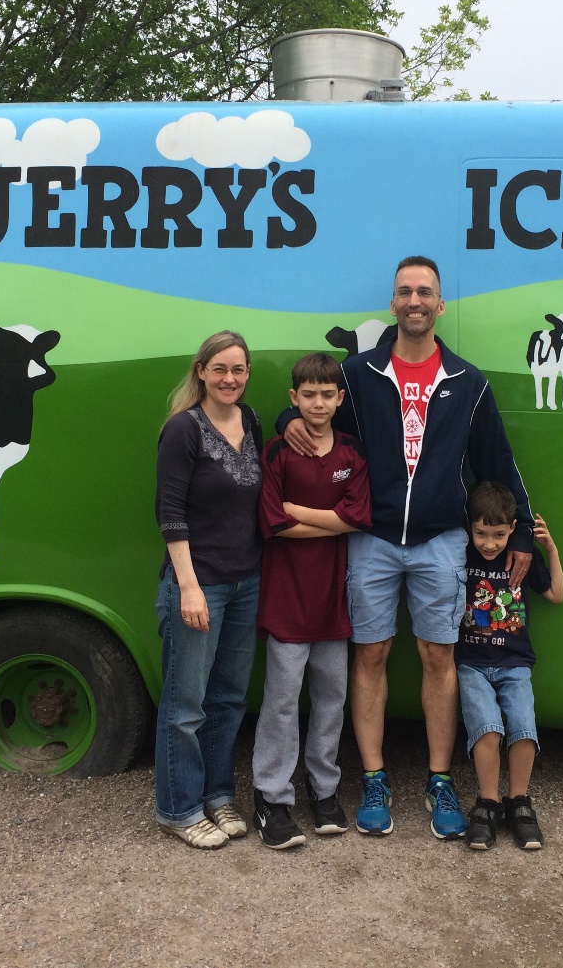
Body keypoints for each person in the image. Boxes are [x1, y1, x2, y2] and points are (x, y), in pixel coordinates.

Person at [281, 256, 535, 840]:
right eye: (404, 292)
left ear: (439, 306)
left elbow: (498, 461)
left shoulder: (467, 382)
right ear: (391, 305)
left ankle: (440, 779)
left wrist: (520, 532)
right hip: (370, 537)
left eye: (425, 292)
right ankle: (374, 777)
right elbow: (312, 410)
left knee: (438, 657)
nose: (414, 300)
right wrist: (285, 421)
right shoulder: (358, 372)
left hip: (442, 541)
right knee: (369, 655)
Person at [250, 353, 371, 849]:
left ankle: (323, 790)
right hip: (286, 597)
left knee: (331, 699)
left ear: (340, 400)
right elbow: (272, 524)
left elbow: (359, 519)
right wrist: (325, 517)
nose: (318, 402)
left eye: (328, 394)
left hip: (332, 600)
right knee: (280, 701)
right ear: (293, 398)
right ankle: (271, 799)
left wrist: (300, 510)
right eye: (309, 395)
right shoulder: (278, 451)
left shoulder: (352, 454)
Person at [153, 330, 263, 849]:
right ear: (201, 370)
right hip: (200, 586)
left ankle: (218, 796)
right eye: (219, 368)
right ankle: (179, 808)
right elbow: (169, 515)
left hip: (247, 582)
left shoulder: (254, 421)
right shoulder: (183, 430)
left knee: (228, 699)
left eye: (238, 370)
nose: (229, 379)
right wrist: (189, 588)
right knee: (185, 704)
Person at [456, 482, 563, 851]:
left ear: (511, 530)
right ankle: (487, 803)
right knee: (486, 729)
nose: (489, 543)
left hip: (515, 664)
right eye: (481, 533)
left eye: (499, 534)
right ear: (470, 529)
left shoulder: (523, 556)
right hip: (471, 663)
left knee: (522, 728)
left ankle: (519, 803)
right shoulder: (462, 555)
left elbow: (555, 593)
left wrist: (548, 548)